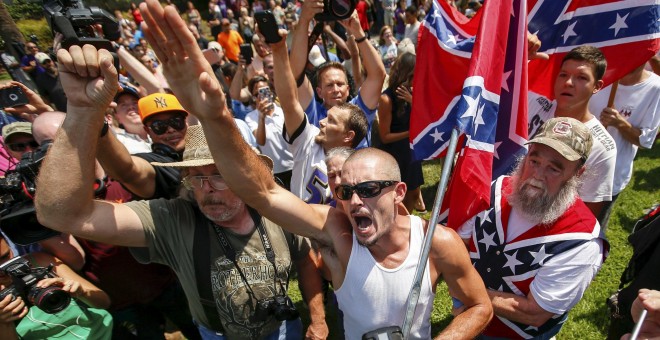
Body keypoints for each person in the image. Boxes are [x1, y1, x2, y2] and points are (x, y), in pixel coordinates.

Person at [110, 2, 493, 338]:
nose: (352, 200)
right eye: (344, 191)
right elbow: (264, 192)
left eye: (370, 189)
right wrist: (213, 117)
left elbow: (479, 306)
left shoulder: (436, 243)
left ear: (398, 191)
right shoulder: (336, 229)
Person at [35, 43, 327, 338]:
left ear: (244, 177)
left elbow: (303, 258)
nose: (207, 189)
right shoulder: (173, 219)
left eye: (219, 175)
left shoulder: (274, 206)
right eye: (195, 177)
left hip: (283, 328)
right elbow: (62, 214)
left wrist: (317, 319)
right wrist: (82, 112)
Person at [457, 117, 607, 339]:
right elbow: (462, 240)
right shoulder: (497, 189)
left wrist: (463, 289)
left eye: (553, 169)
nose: (537, 176)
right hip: (467, 317)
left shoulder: (581, 240)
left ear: (578, 173)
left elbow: (534, 314)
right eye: (534, 161)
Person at [527, 45, 616, 224]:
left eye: (581, 77)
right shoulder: (529, 103)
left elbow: (585, 216)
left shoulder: (602, 147)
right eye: (563, 75)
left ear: (597, 86)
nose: (568, 82)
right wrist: (521, 56)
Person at [289, 4, 386, 148]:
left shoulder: (359, 109)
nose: (336, 89)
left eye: (340, 84)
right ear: (319, 91)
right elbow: (295, 75)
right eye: (329, 85)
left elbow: (378, 76)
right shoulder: (313, 113)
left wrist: (358, 33)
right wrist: (304, 19)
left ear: (347, 89)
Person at [587, 61, 660, 230]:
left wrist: (620, 123)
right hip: (574, 167)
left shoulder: (655, 88)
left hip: (609, 177)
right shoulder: (600, 75)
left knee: (591, 231)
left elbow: (645, 140)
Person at [0, 234, 113, 340]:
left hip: (102, 332)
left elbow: (104, 302)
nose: (3, 267)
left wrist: (81, 291)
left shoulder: (38, 262)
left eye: (5, 256)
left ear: (10, 246)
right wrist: (4, 323)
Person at [377, 52, 425, 213]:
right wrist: (409, 133)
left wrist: (413, 101)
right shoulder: (386, 99)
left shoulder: (413, 93)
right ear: (404, 74)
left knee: (414, 192)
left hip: (411, 151)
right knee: (400, 198)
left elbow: (426, 117)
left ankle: (409, 223)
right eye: (412, 75)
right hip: (396, 154)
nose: (414, 79)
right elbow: (385, 137)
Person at [112, 82, 152, 154]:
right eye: (123, 105)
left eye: (135, 102)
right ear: (117, 117)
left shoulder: (162, 132)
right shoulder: (117, 142)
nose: (131, 107)